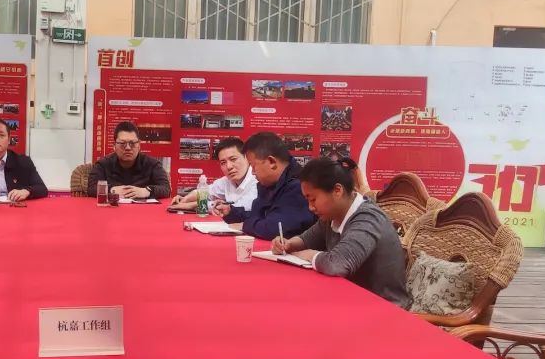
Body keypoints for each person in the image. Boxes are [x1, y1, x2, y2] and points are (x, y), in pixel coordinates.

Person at [273, 157, 410, 309]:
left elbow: (337, 264)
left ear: (337, 190)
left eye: (313, 199)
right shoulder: (332, 215)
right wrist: (288, 244)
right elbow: (307, 239)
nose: (310, 207)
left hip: (383, 308)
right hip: (350, 299)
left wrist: (310, 255)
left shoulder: (367, 218)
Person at [228, 132, 315, 239]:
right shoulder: (269, 185)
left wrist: (245, 225)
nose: (253, 172)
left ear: (272, 162)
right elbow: (258, 215)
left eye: (253, 166)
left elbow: (276, 228)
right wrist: (231, 212)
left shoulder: (299, 186)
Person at [169, 136, 257, 222]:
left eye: (233, 159)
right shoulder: (227, 181)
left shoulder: (257, 180)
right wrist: (184, 199)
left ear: (247, 157)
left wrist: (191, 205)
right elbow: (206, 192)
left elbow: (235, 209)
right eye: (223, 162)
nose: (229, 166)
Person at [87, 121, 171, 200]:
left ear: (139, 145)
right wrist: (111, 190)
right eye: (122, 143)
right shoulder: (103, 164)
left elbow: (166, 189)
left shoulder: (152, 164)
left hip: (143, 209)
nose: (128, 148)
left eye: (132, 143)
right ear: (114, 146)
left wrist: (146, 191)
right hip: (112, 208)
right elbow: (91, 189)